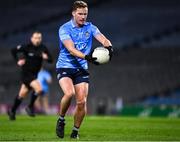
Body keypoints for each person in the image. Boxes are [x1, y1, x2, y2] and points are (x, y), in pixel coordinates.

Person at [55, 1, 113, 139]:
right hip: (65, 66)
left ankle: (75, 131)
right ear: (73, 13)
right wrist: (87, 57)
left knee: (81, 102)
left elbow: (104, 39)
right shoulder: (64, 29)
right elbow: (71, 49)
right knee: (69, 94)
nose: (83, 17)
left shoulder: (90, 27)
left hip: (81, 68)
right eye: (80, 14)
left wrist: (109, 48)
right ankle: (61, 120)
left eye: (85, 14)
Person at [8, 31, 53, 120]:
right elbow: (13, 50)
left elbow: (51, 60)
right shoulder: (26, 47)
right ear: (31, 38)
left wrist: (46, 57)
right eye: (35, 38)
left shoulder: (43, 48)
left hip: (34, 74)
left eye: (39, 38)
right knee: (39, 89)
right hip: (26, 74)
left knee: (21, 95)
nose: (37, 40)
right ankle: (30, 107)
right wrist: (18, 60)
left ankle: (12, 111)